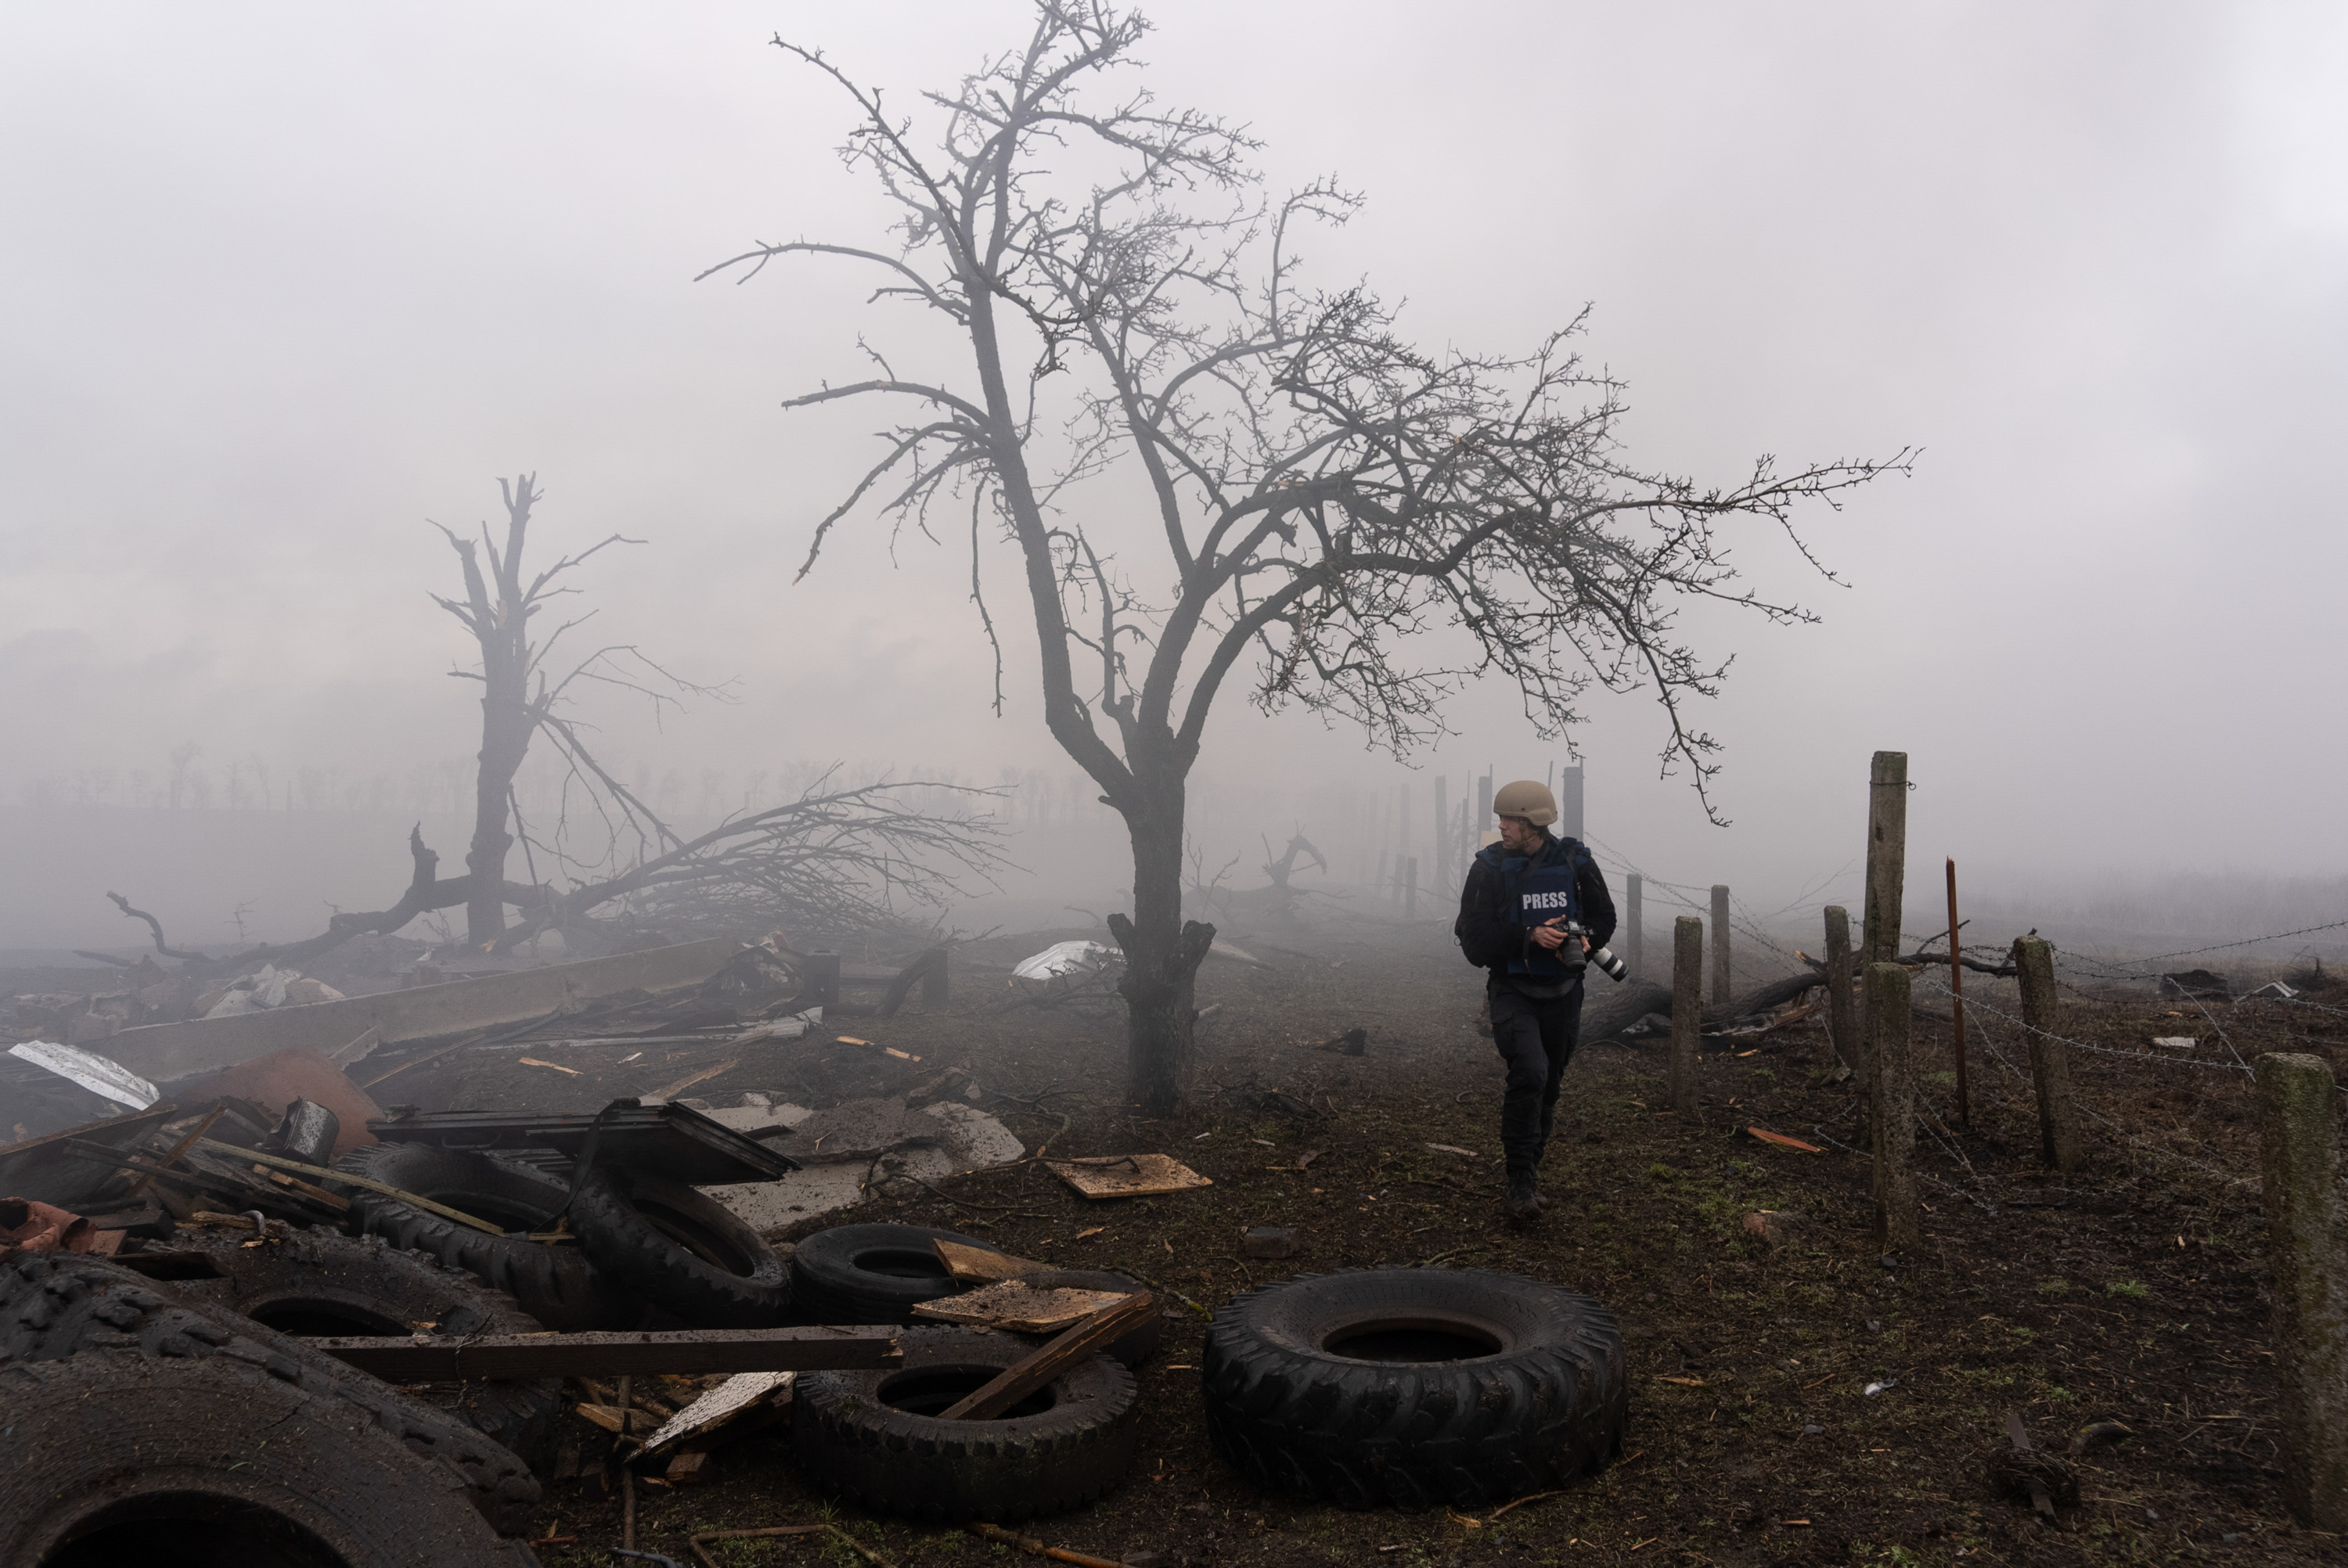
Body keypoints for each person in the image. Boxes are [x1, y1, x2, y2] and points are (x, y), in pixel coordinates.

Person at [1453, 779, 1615, 1221]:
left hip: (1564, 991)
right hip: (1512, 990)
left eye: (1511, 819)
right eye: (1501, 818)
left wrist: (1586, 941)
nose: (1501, 826)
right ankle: (1519, 1180)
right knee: (1530, 1071)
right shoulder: (1487, 869)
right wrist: (1528, 936)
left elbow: (1604, 917)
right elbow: (1473, 939)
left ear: (1535, 824)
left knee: (1551, 1085)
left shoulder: (1575, 861)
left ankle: (1532, 1168)